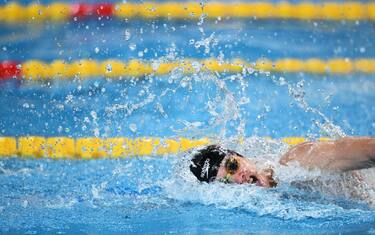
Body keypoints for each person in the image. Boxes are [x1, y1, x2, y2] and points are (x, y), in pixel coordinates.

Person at [189, 137, 375, 188]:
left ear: (240, 155)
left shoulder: (296, 161)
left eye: (232, 166)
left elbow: (368, 150)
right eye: (226, 180)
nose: (240, 177)